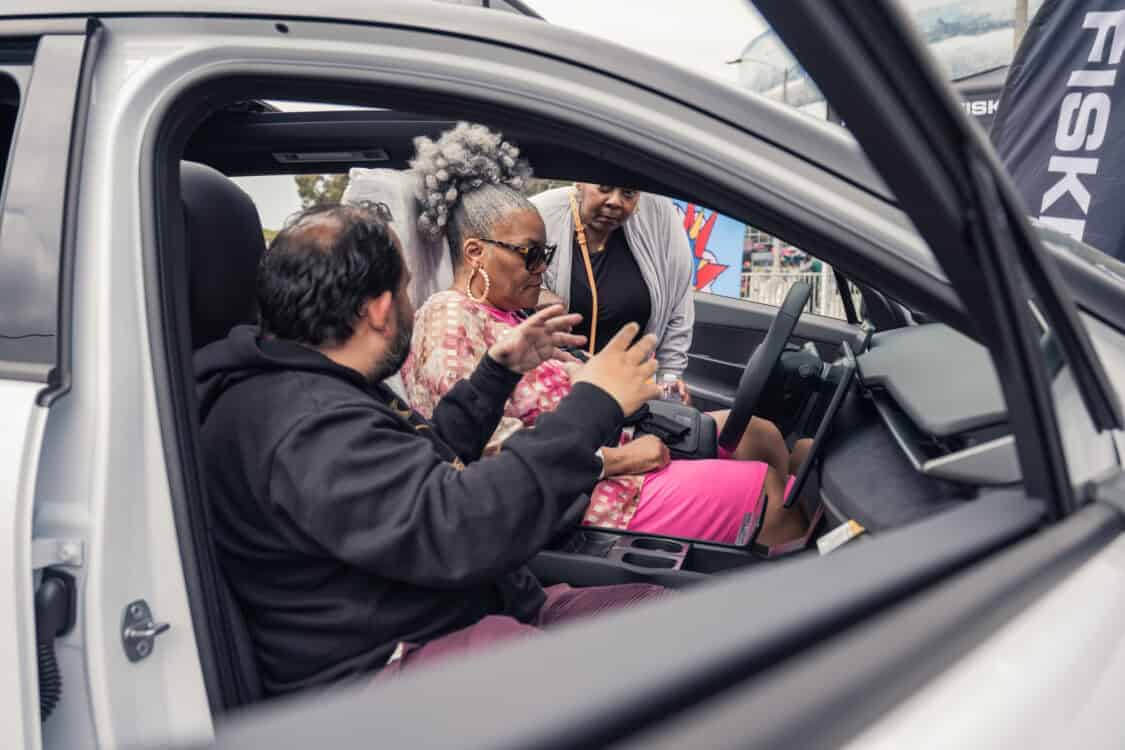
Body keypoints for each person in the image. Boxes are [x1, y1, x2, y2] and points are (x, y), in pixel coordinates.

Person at [195, 201, 673, 694]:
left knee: (665, 621)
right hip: (389, 667)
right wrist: (592, 404)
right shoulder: (302, 422)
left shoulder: (309, 383)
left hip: (449, 612)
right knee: (665, 672)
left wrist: (496, 374)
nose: (410, 300)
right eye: (404, 286)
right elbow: (462, 526)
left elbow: (419, 470)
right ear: (380, 309)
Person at [402, 123, 809, 546]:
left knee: (762, 437)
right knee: (767, 494)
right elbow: (477, 457)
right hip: (587, 493)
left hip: (613, 446)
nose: (542, 268)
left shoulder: (505, 316)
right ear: (475, 253)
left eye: (547, 254)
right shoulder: (447, 318)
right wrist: (616, 460)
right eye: (531, 255)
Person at [533, 182, 803, 478]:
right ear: (579, 181)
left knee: (765, 436)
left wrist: (670, 385)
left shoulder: (658, 215)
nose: (615, 202)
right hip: (578, 404)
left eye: (629, 193)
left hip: (638, 400)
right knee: (760, 461)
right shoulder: (539, 218)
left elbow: (677, 312)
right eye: (604, 188)